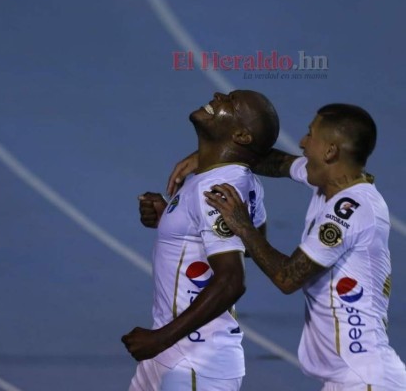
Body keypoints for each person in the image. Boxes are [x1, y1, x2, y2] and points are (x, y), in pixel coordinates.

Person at [168, 103, 406, 390]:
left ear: (330, 152)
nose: (302, 143)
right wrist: (213, 158)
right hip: (350, 378)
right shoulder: (332, 183)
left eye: (310, 135)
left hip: (363, 379)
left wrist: (242, 225)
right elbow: (277, 163)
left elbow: (288, 277)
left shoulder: (350, 209)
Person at [121, 90, 279, 390]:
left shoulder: (218, 185)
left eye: (231, 102)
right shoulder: (232, 178)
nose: (219, 95)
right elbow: (251, 247)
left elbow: (232, 280)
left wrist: (159, 339)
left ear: (242, 136)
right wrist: (171, 220)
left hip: (193, 359)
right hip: (176, 356)